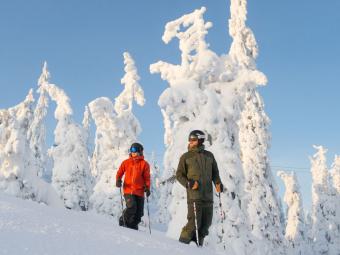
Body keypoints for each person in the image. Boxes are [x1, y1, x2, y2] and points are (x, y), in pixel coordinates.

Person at [176, 130, 223, 246]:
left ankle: (197, 248)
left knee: (205, 226)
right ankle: (180, 246)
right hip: (194, 196)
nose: (190, 141)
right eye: (190, 139)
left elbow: (215, 172)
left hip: (208, 196)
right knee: (193, 224)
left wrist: (218, 183)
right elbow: (179, 175)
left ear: (200, 140)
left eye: (193, 139)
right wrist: (189, 184)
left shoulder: (209, 155)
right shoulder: (186, 157)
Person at [116, 142, 151, 230]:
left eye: (134, 150)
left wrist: (147, 187)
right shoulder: (126, 162)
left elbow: (147, 178)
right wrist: (118, 180)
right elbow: (120, 172)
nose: (132, 152)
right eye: (131, 150)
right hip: (128, 190)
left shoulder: (144, 164)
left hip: (139, 191)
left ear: (140, 151)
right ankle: (123, 220)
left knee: (139, 213)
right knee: (132, 207)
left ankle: (132, 226)